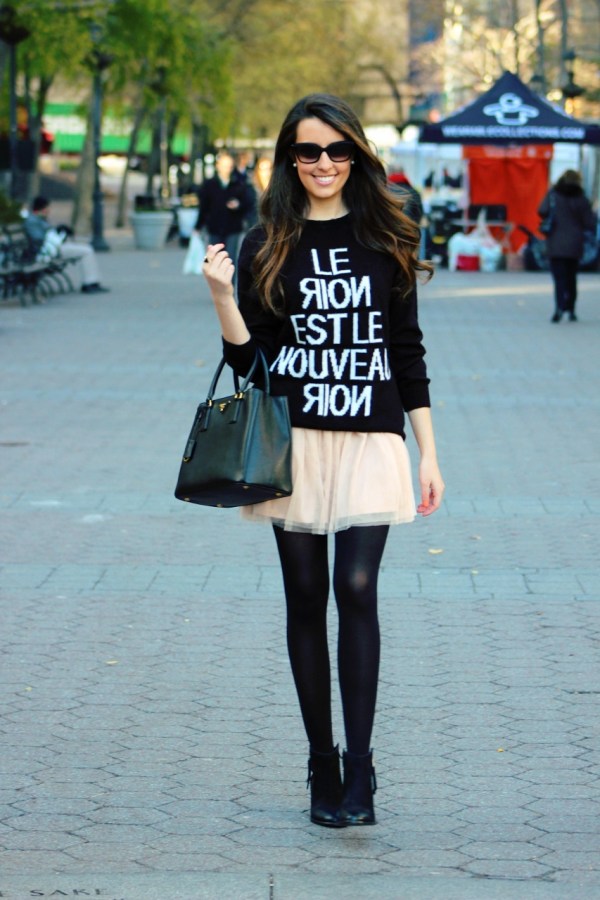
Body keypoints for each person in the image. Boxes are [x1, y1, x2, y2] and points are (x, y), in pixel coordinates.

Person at [202, 93, 444, 828]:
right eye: (308, 151)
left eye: (338, 150)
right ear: (290, 158)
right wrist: (222, 299)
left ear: (357, 156)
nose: (324, 164)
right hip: (294, 439)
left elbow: (406, 350)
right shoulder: (265, 243)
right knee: (306, 597)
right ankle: (322, 764)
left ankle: (362, 770)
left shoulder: (388, 234)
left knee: (357, 586)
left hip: (372, 437)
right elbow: (251, 365)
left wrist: (429, 452)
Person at [538, 169, 596, 322]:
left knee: (559, 278)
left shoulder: (553, 195)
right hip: (574, 243)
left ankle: (558, 307)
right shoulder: (581, 198)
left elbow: (542, 210)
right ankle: (571, 308)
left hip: (555, 242)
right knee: (571, 277)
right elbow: (589, 222)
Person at [24, 196, 110, 294]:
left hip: (53, 248)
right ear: (42, 208)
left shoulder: (38, 219)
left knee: (86, 249)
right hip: (48, 251)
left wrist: (59, 231)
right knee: (87, 251)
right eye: (47, 208)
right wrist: (55, 232)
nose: (49, 210)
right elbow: (39, 238)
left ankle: (92, 281)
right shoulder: (33, 221)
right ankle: (90, 282)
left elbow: (47, 234)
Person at [195, 150, 255, 263]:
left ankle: (230, 276)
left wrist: (238, 205)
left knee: (230, 259)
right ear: (218, 166)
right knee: (214, 258)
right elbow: (204, 207)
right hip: (214, 228)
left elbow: (247, 204)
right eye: (224, 165)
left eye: (229, 166)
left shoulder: (238, 184)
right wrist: (198, 226)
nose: (227, 169)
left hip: (233, 228)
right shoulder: (209, 184)